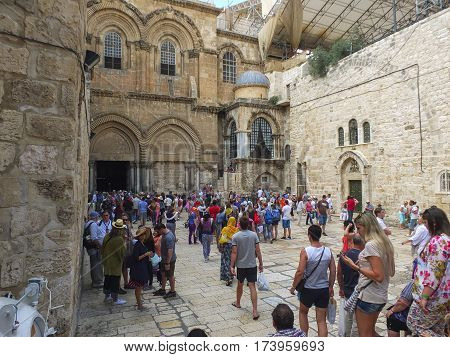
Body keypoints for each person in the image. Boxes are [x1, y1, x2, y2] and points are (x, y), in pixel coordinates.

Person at [341, 212, 395, 337]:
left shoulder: (371, 245)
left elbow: (378, 276)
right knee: (370, 332)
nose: (357, 232)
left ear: (367, 226)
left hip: (369, 296)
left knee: (364, 335)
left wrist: (356, 267)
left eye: (359, 228)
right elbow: (390, 271)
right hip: (379, 295)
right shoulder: (384, 241)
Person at [407, 207, 449, 337]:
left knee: (414, 324)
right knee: (436, 328)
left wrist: (424, 297)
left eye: (426, 223)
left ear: (434, 223)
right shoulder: (446, 239)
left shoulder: (438, 241)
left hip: (432, 296)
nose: (425, 226)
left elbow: (434, 272)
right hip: (443, 297)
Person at [289, 225, 336, 337]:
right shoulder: (328, 251)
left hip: (308, 289)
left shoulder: (306, 251)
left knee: (303, 312)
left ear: (309, 235)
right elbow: (333, 271)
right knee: (321, 320)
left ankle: (304, 338)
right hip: (323, 289)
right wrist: (330, 287)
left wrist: (293, 287)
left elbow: (300, 271)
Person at [230, 216, 264, 320]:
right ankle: (254, 310)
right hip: (252, 265)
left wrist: (232, 266)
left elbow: (234, 252)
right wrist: (261, 263)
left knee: (240, 284)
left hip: (241, 265)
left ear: (239, 224)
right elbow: (258, 251)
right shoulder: (254, 235)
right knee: (252, 286)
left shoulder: (235, 237)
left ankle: (238, 302)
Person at [337, 234, 364, 337]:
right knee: (357, 320)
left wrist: (341, 287)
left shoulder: (344, 256)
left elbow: (339, 273)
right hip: (360, 292)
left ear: (352, 242)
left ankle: (346, 336)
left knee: (348, 318)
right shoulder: (363, 256)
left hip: (348, 290)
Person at [102, 219, 127, 305]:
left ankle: (107, 296)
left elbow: (102, 248)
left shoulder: (108, 236)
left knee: (107, 279)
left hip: (107, 262)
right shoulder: (119, 239)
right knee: (115, 281)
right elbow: (122, 253)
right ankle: (115, 299)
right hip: (115, 264)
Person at [127, 227, 152, 311]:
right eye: (141, 234)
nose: (143, 236)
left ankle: (139, 302)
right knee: (138, 287)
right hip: (138, 268)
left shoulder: (142, 243)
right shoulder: (137, 245)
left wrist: (148, 255)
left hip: (142, 266)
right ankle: (139, 305)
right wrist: (146, 254)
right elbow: (136, 258)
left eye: (144, 234)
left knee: (140, 287)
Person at [153, 223, 177, 299]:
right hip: (164, 259)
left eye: (158, 231)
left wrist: (168, 262)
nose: (158, 233)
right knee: (163, 274)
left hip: (169, 260)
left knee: (170, 275)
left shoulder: (168, 237)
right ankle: (163, 289)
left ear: (161, 229)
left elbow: (170, 251)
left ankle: (172, 291)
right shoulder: (164, 234)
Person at [84, 211, 103, 288]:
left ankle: (97, 280)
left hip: (92, 248)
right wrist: (100, 246)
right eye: (97, 217)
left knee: (95, 264)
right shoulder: (93, 225)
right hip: (94, 248)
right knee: (96, 264)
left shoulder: (89, 223)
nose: (98, 218)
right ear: (95, 217)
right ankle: (97, 282)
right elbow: (94, 238)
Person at [219, 217, 238, 286]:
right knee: (232, 261)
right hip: (234, 246)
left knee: (226, 261)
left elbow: (221, 238)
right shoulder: (236, 230)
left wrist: (220, 247)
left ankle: (228, 277)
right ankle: (231, 274)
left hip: (226, 246)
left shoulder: (225, 229)